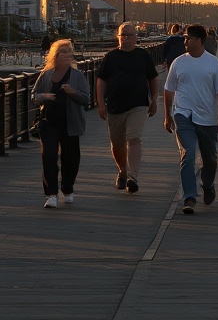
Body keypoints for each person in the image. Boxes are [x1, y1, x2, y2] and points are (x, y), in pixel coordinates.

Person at [163, 24, 218, 214]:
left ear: (199, 41)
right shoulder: (178, 62)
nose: (185, 41)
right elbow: (168, 90)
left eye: (188, 38)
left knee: (210, 159)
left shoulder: (213, 63)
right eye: (184, 38)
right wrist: (167, 116)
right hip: (183, 114)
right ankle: (189, 197)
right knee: (188, 154)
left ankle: (208, 185)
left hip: (208, 117)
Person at [96, 23, 160, 194]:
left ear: (135, 37)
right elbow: (101, 80)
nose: (125, 38)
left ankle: (133, 176)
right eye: (122, 35)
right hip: (115, 106)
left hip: (138, 104)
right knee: (117, 144)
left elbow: (153, 78)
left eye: (129, 35)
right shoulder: (111, 57)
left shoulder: (142, 55)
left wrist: (154, 100)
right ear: (117, 36)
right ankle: (122, 171)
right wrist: (101, 103)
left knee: (133, 138)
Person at [31, 39, 90, 209]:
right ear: (55, 55)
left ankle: (67, 188)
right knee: (48, 156)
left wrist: (73, 92)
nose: (67, 55)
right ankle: (51, 194)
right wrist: (44, 97)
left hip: (71, 122)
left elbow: (86, 98)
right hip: (49, 121)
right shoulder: (47, 74)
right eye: (63, 52)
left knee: (71, 158)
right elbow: (34, 95)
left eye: (69, 52)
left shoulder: (77, 76)